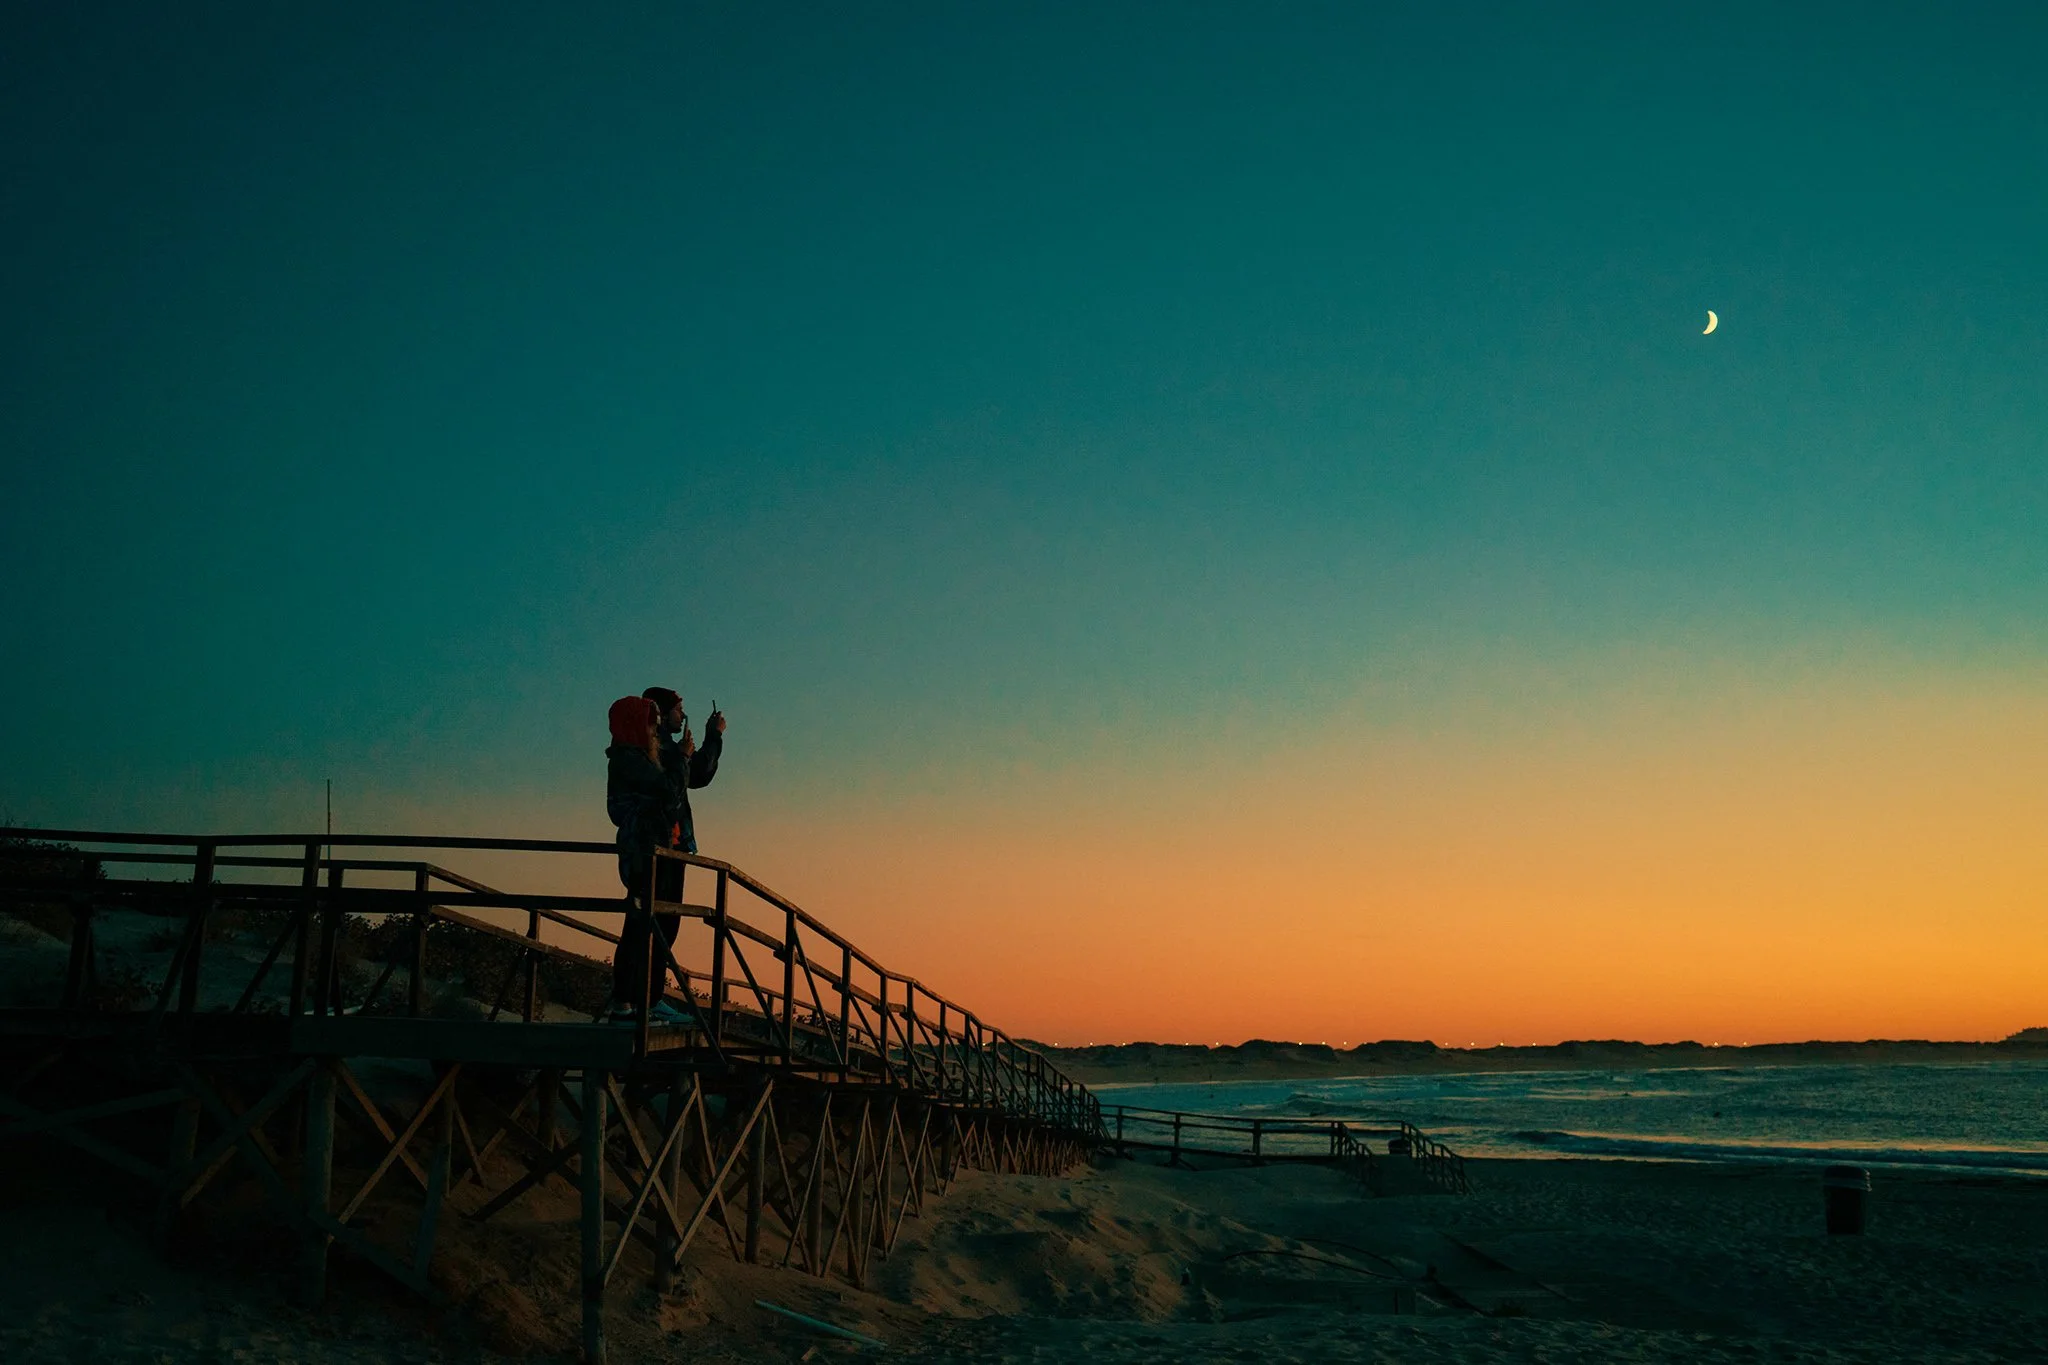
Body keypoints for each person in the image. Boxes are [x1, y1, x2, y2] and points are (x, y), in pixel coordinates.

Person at [605, 695, 684, 1021]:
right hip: (643, 851)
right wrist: (682, 758)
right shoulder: (628, 759)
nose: (655, 729)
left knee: (657, 924)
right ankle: (625, 1003)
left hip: (655, 849)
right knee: (640, 923)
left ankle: (645, 1001)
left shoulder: (638, 757)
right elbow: (669, 792)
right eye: (650, 721)